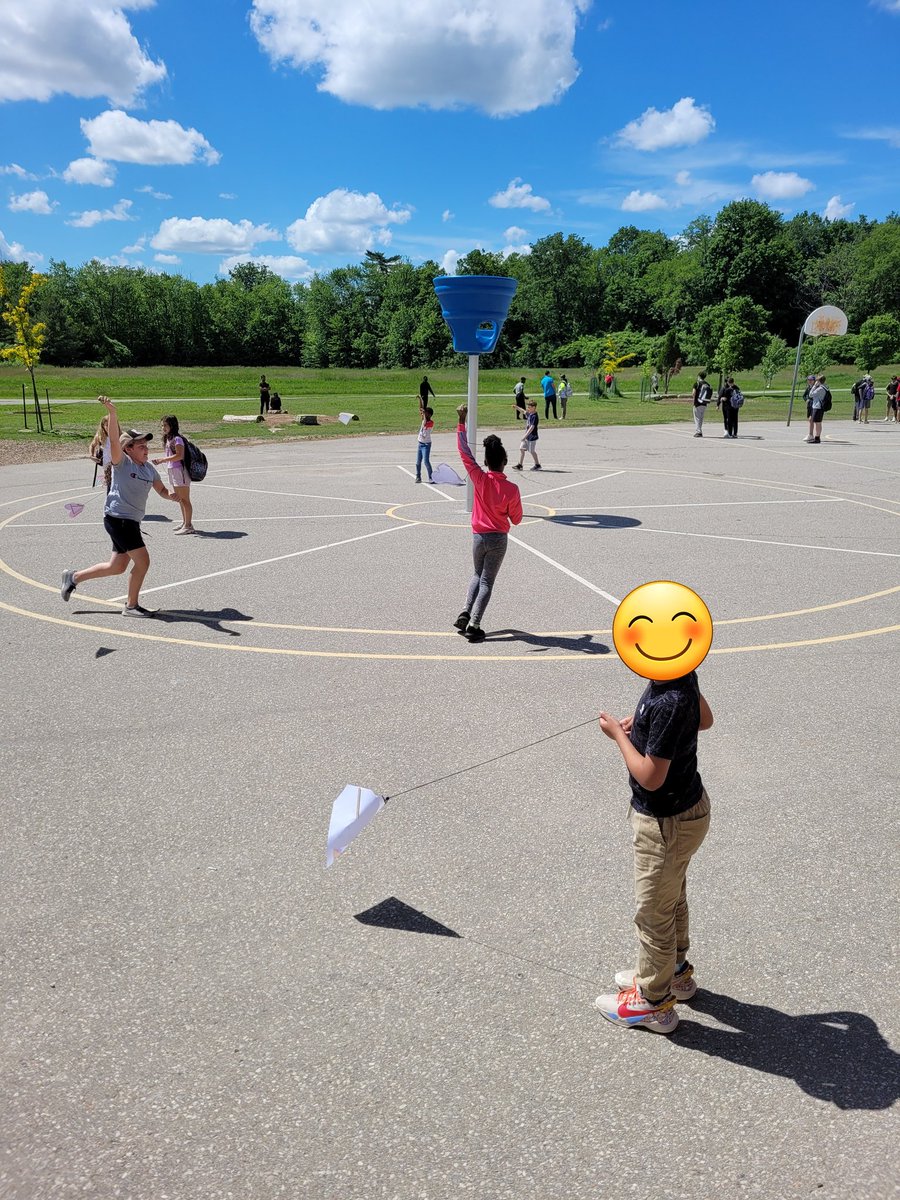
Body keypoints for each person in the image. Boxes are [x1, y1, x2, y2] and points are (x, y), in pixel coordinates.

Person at [594, 667, 714, 1034]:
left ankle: (652, 1002)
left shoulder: (667, 698)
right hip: (690, 810)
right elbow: (704, 720)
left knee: (653, 914)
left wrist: (619, 736)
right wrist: (644, 730)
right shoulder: (681, 677)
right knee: (672, 897)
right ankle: (674, 973)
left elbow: (650, 776)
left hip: (665, 823)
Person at [61, 397, 178, 617]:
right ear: (129, 449)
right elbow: (114, 441)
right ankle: (131, 606)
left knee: (117, 566)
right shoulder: (122, 463)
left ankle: (73, 577)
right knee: (143, 561)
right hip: (118, 519)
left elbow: (161, 490)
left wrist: (171, 496)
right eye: (141, 446)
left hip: (130, 521)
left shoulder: (149, 470)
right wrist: (113, 414)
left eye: (147, 446)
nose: (146, 449)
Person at [452, 405, 522, 644]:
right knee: (487, 581)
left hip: (478, 536)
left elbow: (463, 452)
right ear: (505, 461)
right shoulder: (512, 488)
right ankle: (475, 624)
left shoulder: (479, 479)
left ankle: (465, 610)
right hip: (498, 539)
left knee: (476, 574)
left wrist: (461, 421)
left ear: (485, 461)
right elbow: (517, 518)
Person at [153, 414, 195, 534]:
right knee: (180, 499)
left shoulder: (177, 439)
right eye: (162, 426)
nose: (163, 428)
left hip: (180, 471)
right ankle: (185, 522)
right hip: (173, 470)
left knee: (185, 499)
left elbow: (179, 455)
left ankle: (188, 526)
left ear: (172, 425)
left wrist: (162, 460)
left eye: (165, 425)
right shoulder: (168, 438)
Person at [512, 398, 541, 470]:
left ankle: (537, 464)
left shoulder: (534, 416)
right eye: (528, 407)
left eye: (529, 407)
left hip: (532, 437)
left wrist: (524, 436)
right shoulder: (530, 414)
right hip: (527, 436)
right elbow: (523, 411)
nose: (528, 408)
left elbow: (531, 427)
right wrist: (516, 407)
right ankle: (520, 465)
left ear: (534, 407)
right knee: (521, 449)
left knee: (531, 451)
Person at [89, 414, 112, 492]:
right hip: (107, 465)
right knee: (110, 486)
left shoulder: (119, 435)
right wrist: (92, 456)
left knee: (117, 486)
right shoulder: (100, 436)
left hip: (118, 464)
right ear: (103, 426)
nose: (109, 427)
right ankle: (110, 502)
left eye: (111, 425)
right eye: (106, 425)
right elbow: (92, 445)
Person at [415, 405, 435, 484]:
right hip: (420, 443)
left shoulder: (430, 423)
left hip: (426, 444)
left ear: (429, 415)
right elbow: (421, 408)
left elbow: (426, 421)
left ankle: (431, 477)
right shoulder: (424, 420)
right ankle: (418, 476)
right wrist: (421, 400)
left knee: (426, 461)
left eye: (426, 413)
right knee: (418, 462)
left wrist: (424, 413)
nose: (424, 414)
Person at [806, 374, 829, 443]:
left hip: (818, 407)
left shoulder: (820, 388)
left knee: (817, 422)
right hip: (816, 406)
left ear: (819, 381)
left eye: (817, 380)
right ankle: (816, 437)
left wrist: (814, 386)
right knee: (817, 422)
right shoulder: (824, 387)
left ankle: (817, 438)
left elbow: (810, 394)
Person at [691, 371, 712, 437]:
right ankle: (700, 430)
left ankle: (698, 431)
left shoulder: (697, 383)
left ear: (699, 376)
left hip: (697, 403)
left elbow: (693, 393)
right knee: (701, 418)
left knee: (697, 418)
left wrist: (694, 400)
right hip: (704, 402)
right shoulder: (707, 384)